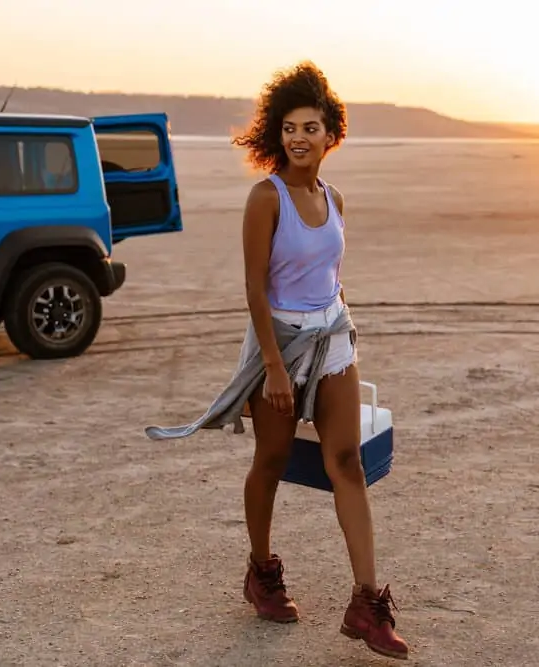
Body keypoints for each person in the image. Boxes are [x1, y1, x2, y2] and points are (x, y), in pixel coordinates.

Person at [143, 61, 409, 660]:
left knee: (348, 463)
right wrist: (274, 365)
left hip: (332, 339)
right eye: (289, 127)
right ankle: (261, 571)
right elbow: (255, 288)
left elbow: (332, 276)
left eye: (311, 127)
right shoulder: (266, 198)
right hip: (281, 343)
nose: (299, 138)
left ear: (329, 133)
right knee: (272, 459)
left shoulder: (334, 197)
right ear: (276, 133)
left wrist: (340, 332)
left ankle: (367, 604)